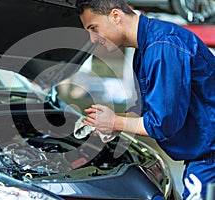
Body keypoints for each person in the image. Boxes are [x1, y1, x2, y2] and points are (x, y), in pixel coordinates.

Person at [75, 0, 215, 199]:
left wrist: (116, 121)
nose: (92, 38)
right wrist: (114, 121)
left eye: (93, 28)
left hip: (210, 161)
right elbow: (148, 107)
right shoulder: (147, 46)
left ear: (116, 16)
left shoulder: (162, 46)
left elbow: (163, 123)